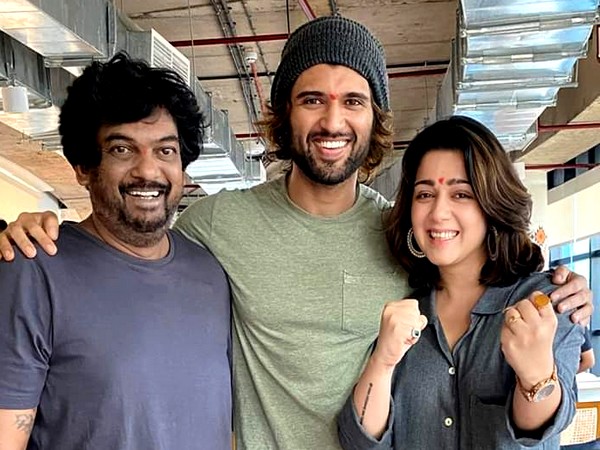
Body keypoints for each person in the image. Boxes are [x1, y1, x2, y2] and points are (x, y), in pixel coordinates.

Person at [0, 16, 592, 450]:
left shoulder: (403, 231)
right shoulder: (217, 226)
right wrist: (32, 231)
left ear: (374, 119)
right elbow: (131, 237)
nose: (333, 120)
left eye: (354, 101)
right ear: (284, 113)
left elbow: (478, 276)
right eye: (312, 99)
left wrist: (564, 293)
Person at [0, 53, 231, 449]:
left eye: (166, 151)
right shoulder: (33, 270)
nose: (148, 171)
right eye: (122, 149)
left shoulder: (210, 274)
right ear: (83, 167)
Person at [337, 116, 583, 449]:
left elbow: (540, 430)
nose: (438, 213)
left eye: (461, 194)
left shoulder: (546, 302)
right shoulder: (401, 307)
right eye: (425, 194)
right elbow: (361, 443)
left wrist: (536, 376)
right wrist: (382, 362)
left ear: (491, 204)